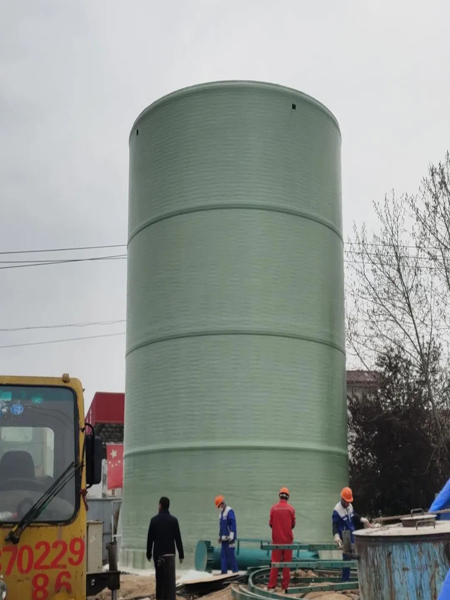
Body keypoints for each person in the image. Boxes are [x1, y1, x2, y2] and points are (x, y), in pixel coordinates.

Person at [147, 497, 184, 600]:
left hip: (158, 555)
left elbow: (150, 539)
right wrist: (181, 554)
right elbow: (178, 538)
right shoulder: (174, 521)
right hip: (170, 555)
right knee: (170, 581)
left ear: (160, 505)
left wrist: (148, 553)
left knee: (160, 580)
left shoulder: (154, 521)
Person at [332, 487, 370, 581]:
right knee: (347, 560)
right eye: (347, 501)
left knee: (358, 556)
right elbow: (335, 525)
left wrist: (361, 519)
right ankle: (345, 581)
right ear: (343, 499)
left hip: (352, 534)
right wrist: (336, 536)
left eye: (349, 501)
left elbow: (354, 516)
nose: (348, 503)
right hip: (345, 537)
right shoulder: (337, 511)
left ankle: (361, 579)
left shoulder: (349, 506)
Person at [268, 487, 296, 592]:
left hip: (276, 540)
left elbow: (271, 524)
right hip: (288, 540)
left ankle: (271, 586)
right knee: (286, 564)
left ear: (279, 496)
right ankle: (285, 586)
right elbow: (293, 525)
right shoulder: (291, 509)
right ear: (288, 497)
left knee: (275, 563)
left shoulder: (273, 508)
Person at [215, 495, 239, 574]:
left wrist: (232, 534)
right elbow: (221, 527)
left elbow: (233, 523)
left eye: (219, 506)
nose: (219, 508)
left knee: (231, 556)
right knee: (223, 556)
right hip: (224, 539)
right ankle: (223, 572)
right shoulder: (221, 514)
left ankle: (235, 572)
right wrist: (219, 536)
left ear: (222, 503)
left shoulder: (229, 511)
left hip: (230, 539)